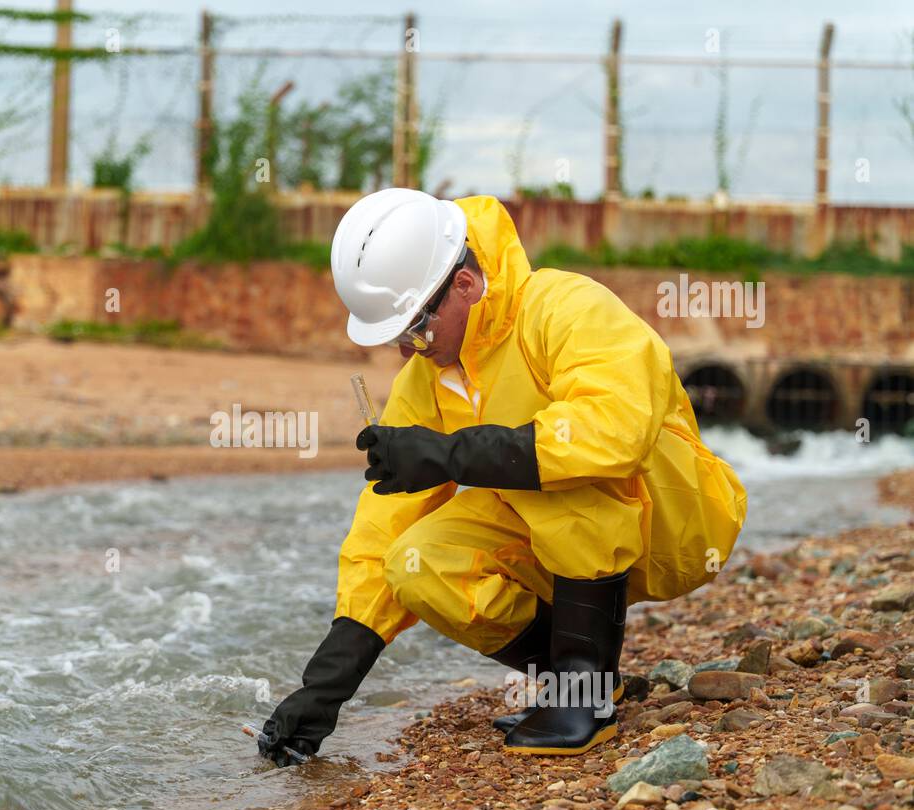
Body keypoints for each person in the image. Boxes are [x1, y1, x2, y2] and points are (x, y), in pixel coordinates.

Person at [257, 188, 747, 763]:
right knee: (417, 563)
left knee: (561, 475)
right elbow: (383, 524)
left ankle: (584, 693)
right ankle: (577, 678)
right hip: (570, 545)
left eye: (415, 330)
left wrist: (450, 454)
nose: (408, 351)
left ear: (464, 285)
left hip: (678, 524)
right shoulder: (430, 376)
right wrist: (329, 682)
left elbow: (611, 434)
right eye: (397, 339)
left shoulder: (565, 307)